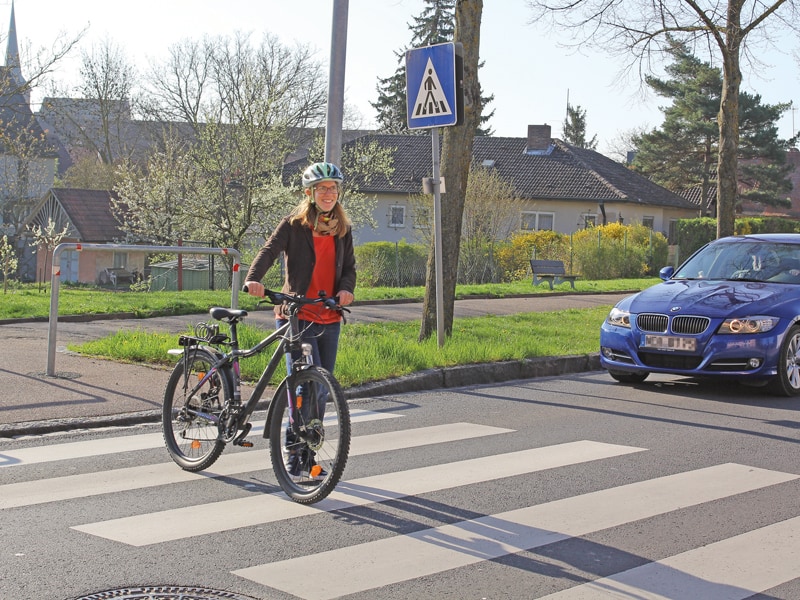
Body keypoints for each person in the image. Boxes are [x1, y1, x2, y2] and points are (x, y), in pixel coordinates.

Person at [244, 161, 355, 478]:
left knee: (323, 389)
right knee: (304, 386)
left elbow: (349, 270)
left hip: (328, 314)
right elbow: (269, 251)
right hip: (296, 313)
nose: (328, 194)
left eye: (333, 188)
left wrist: (346, 290)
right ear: (310, 193)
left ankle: (309, 452)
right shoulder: (293, 225)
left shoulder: (342, 231)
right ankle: (295, 455)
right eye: (322, 189)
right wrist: (254, 279)